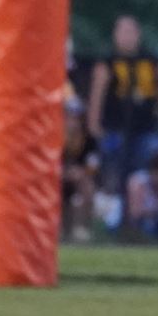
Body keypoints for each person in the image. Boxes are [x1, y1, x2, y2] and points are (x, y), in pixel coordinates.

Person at [85, 14, 158, 226]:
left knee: (145, 171)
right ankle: (114, 216)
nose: (127, 37)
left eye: (131, 32)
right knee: (114, 171)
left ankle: (144, 216)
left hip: (145, 128)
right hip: (115, 127)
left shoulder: (149, 60)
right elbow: (97, 94)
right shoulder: (108, 62)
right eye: (122, 32)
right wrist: (94, 125)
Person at [62, 103, 100, 242]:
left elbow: (93, 166)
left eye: (76, 118)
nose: (73, 122)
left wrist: (81, 172)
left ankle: (82, 229)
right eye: (70, 117)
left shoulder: (89, 140)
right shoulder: (54, 136)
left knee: (88, 187)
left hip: (79, 178)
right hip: (57, 179)